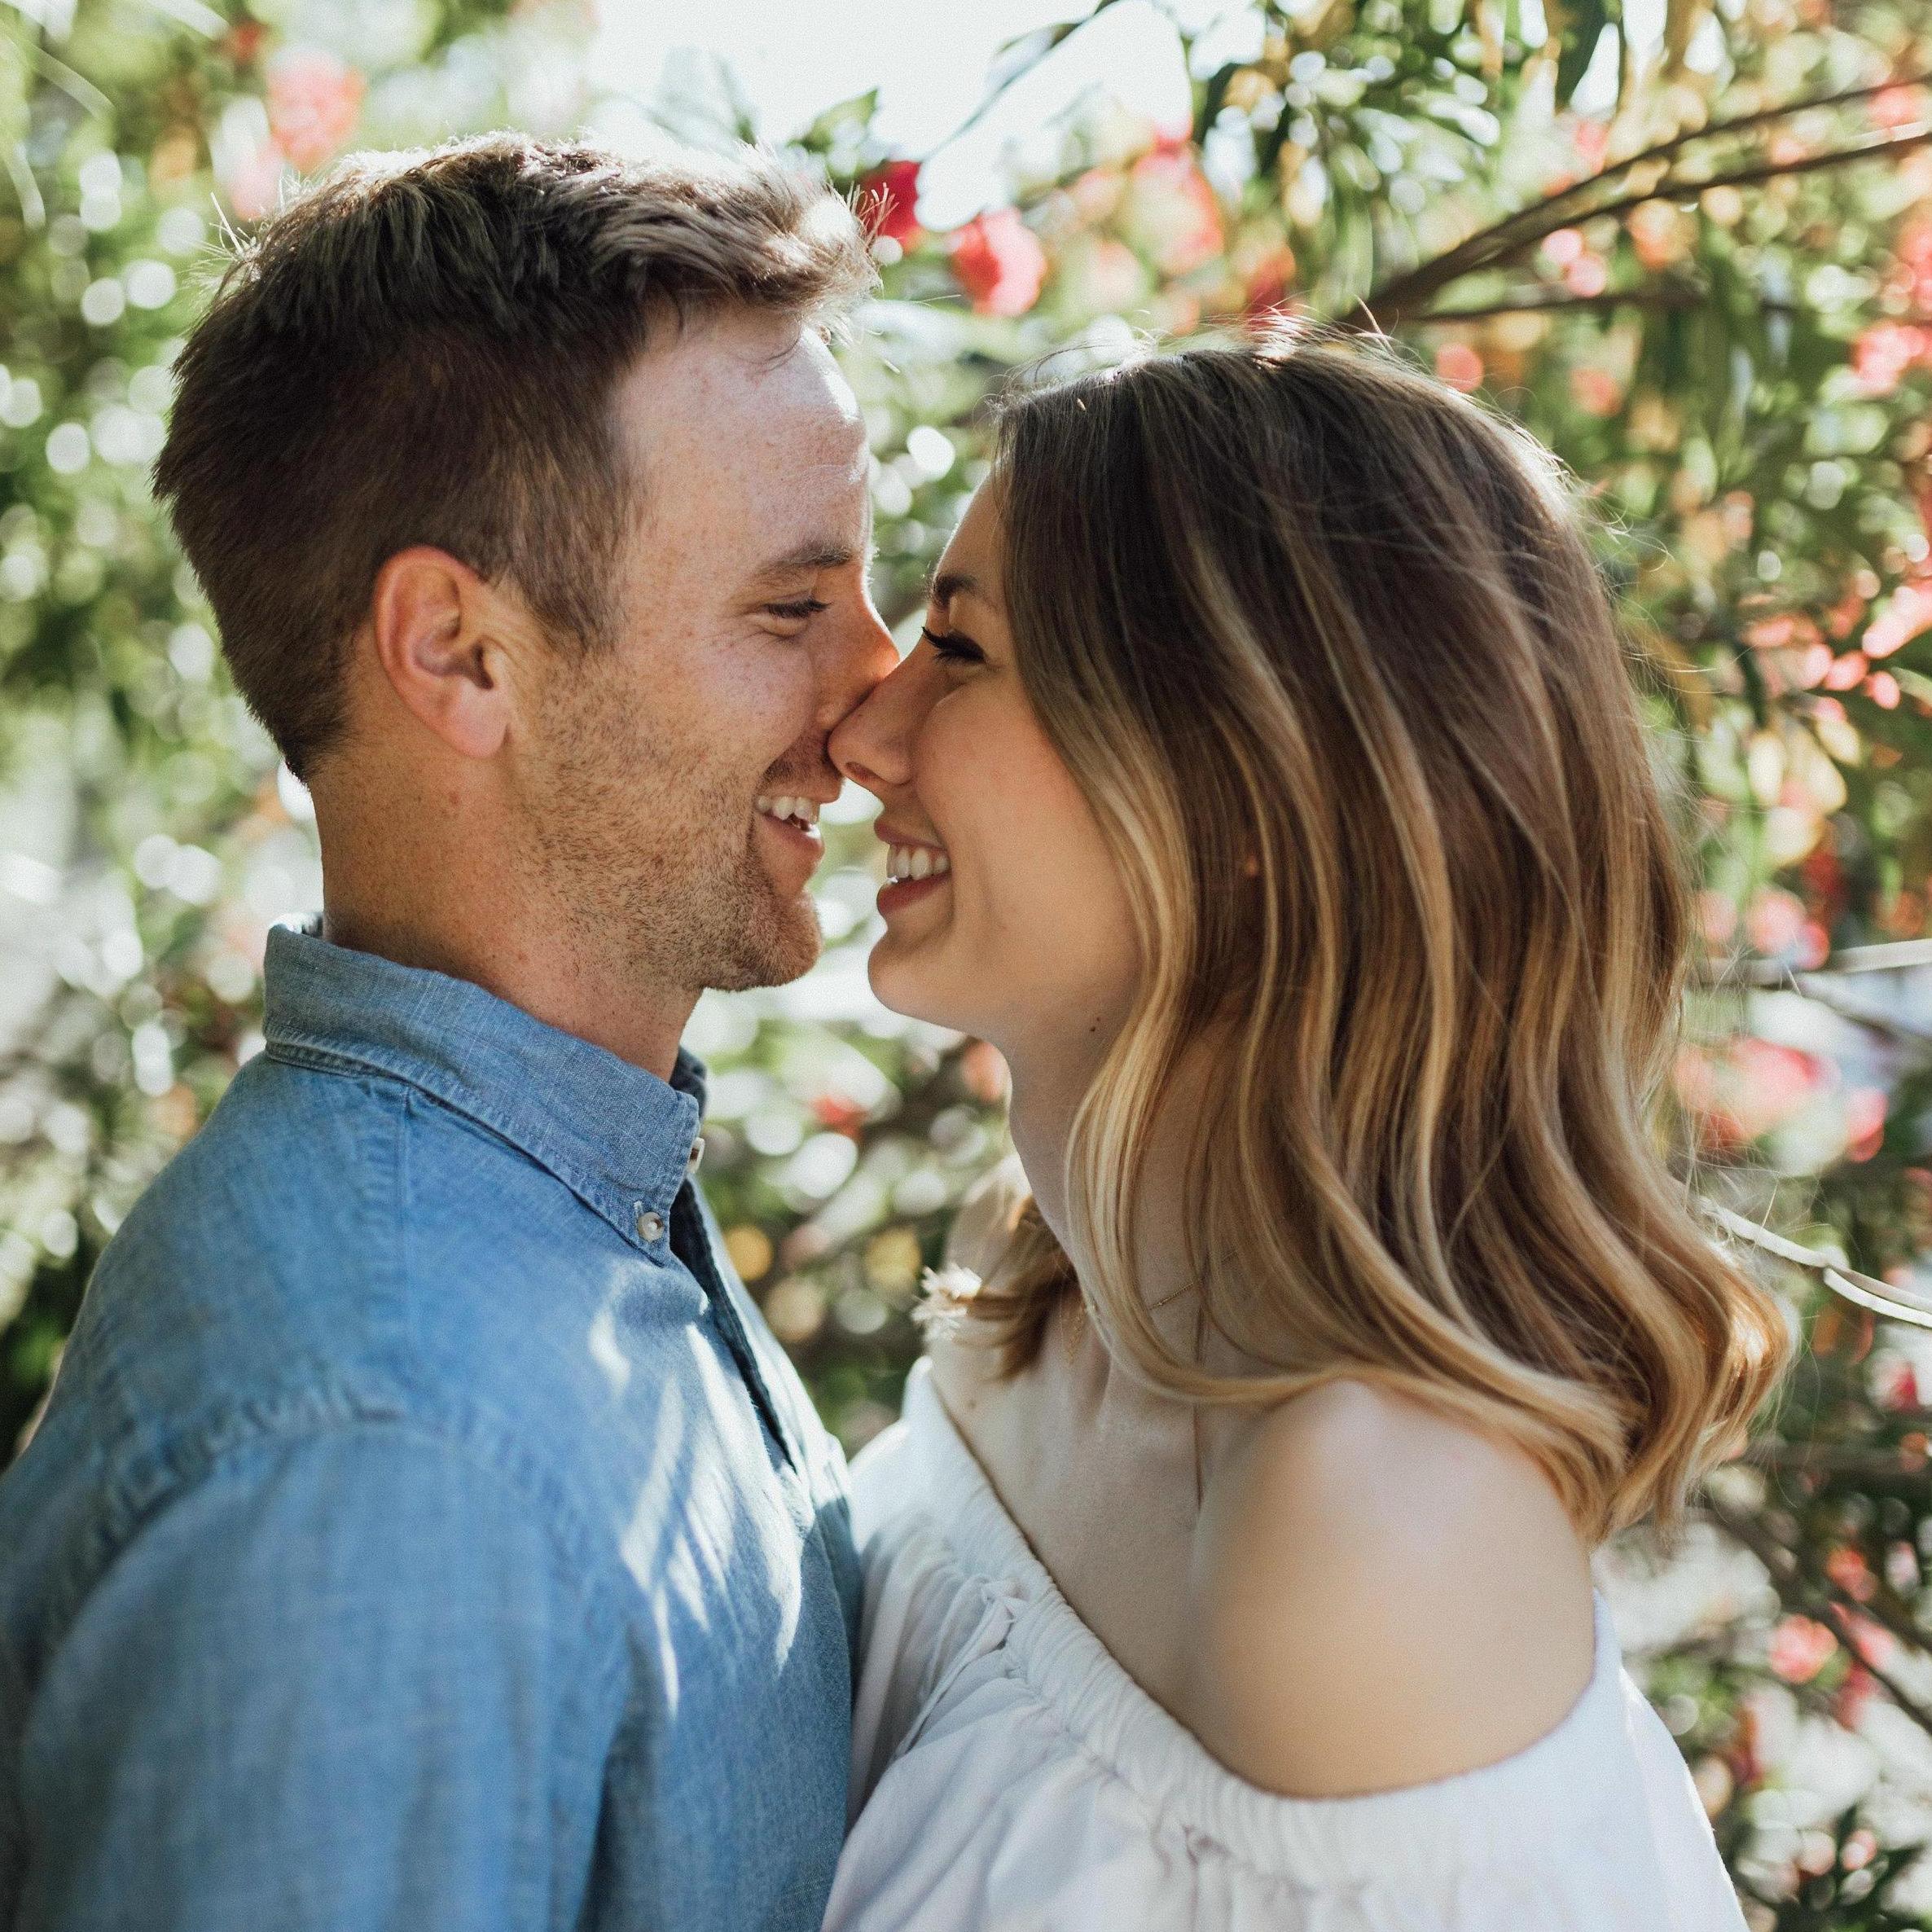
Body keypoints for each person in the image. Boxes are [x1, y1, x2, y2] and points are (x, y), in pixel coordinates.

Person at [0, 134, 897, 1931]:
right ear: (459, 653)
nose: (881, 689)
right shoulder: (384, 1453)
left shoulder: (574, 1203)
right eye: (792, 606)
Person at [822, 331, 1791, 1930]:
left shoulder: (1366, 1526)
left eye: (964, 650)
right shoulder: (1037, 1281)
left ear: (1242, 795)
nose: (864, 735)